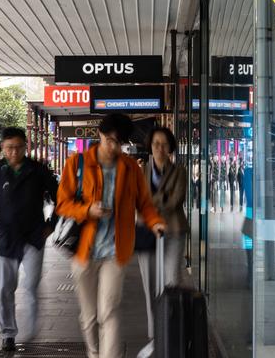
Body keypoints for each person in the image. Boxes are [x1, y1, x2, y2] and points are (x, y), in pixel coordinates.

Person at [56, 114, 165, 358]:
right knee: (89, 316)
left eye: (120, 143)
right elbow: (62, 204)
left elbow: (144, 203)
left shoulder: (130, 168)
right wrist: (87, 210)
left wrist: (155, 222)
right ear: (100, 135)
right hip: (84, 252)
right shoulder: (77, 163)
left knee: (110, 311)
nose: (114, 147)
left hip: (116, 251)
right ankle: (94, 354)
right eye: (111, 140)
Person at [0, 128, 57, 352]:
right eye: (9, 148)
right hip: (7, 238)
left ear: (25, 147)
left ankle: (30, 330)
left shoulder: (38, 170)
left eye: (18, 147)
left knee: (30, 286)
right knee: (6, 288)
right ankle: (8, 333)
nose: (14, 152)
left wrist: (51, 225)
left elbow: (61, 197)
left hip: (34, 237)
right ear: (3, 148)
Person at [136, 126, 188, 358]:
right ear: (150, 146)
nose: (160, 148)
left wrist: (151, 203)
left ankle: (171, 332)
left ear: (171, 148)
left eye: (164, 144)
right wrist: (159, 199)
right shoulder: (140, 171)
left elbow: (175, 200)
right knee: (150, 286)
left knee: (171, 282)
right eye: (156, 143)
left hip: (174, 232)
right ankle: (155, 336)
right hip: (147, 234)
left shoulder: (181, 172)